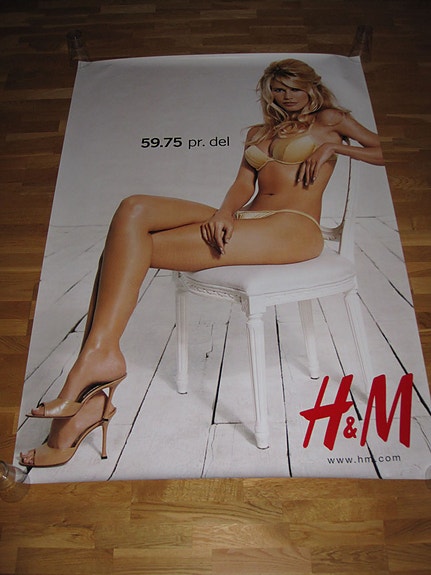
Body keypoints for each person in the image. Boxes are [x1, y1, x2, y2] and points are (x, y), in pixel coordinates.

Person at [20, 58, 383, 467]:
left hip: (293, 229)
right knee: (133, 209)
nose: (286, 97)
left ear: (311, 87)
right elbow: (242, 184)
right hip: (248, 220)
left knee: (123, 252)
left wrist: (336, 147)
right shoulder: (259, 133)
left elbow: (386, 149)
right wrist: (224, 213)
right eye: (278, 89)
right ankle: (96, 369)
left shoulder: (331, 120)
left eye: (294, 88)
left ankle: (89, 381)